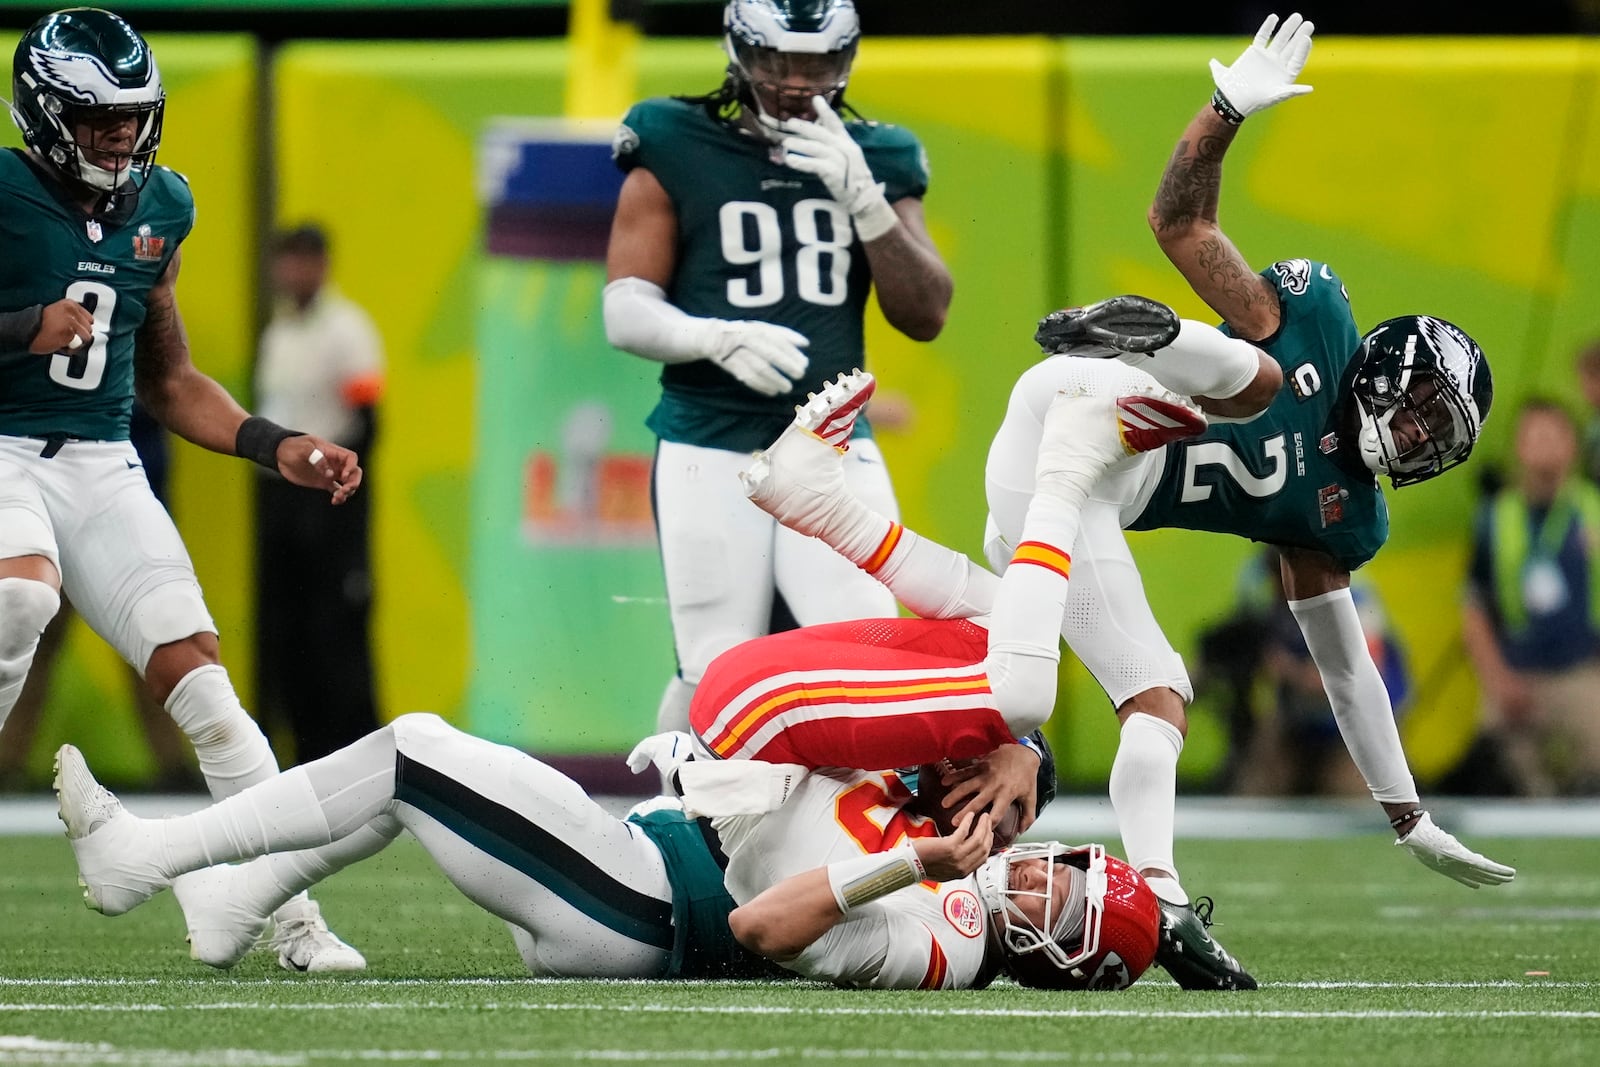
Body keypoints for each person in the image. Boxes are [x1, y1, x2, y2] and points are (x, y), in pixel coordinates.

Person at [1, 8, 365, 971]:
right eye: (95, 116)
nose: (120, 134)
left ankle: (295, 924)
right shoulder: (1, 191)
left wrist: (269, 442)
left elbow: (168, 379)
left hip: (101, 460)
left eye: (132, 114)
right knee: (19, 593)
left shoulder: (162, 205)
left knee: (204, 683)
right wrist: (18, 328)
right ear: (42, 112)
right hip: (1, 448)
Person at [52, 709, 1160, 990]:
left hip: (640, 911)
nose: (1026, 868)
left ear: (1057, 955)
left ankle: (147, 860)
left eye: (1060, 906)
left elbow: (759, 924)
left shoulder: (952, 933)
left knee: (414, 754)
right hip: (645, 858)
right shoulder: (930, 800)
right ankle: (234, 906)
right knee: (413, 788)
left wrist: (912, 869)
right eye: (1055, 860)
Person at [603, 0, 953, 739]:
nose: (797, 82)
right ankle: (675, 824)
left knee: (866, 655)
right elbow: (624, 309)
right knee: (715, 666)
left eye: (817, 63)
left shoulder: (881, 154)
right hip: (710, 438)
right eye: (777, 61)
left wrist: (866, 199)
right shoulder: (674, 137)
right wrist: (713, 337)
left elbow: (927, 312)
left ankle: (859, 832)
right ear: (738, 52)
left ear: (848, 58)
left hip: (831, 445)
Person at [0, 401, 200, 792]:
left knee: (150, 640)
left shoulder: (123, 359)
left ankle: (173, 762)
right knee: (35, 636)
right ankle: (7, 760)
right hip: (62, 505)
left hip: (118, 509)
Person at [254, 223, 384, 763]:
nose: (296, 273)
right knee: (288, 629)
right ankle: (302, 754)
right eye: (288, 261)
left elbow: (368, 422)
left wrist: (336, 493)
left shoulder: (347, 330)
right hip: (281, 500)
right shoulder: (278, 334)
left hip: (329, 500)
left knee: (337, 626)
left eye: (306, 261)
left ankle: (356, 754)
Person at [1460, 399, 1600, 795]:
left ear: (1572, 445)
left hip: (1583, 674)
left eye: (1553, 435)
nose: (1543, 445)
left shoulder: (1593, 508)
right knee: (1493, 767)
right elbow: (1474, 605)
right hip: (1515, 676)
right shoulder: (1495, 516)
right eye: (1533, 435)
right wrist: (1498, 679)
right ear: (1517, 447)